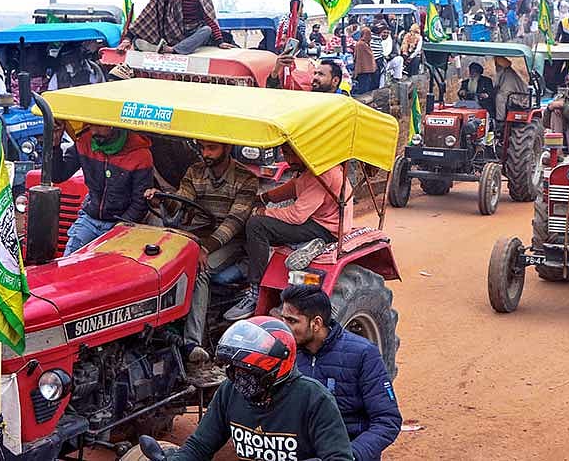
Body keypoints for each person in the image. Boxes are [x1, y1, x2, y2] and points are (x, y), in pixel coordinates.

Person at [143, 140, 258, 378]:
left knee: (198, 268)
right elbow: (182, 199)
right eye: (203, 148)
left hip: (230, 242)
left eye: (212, 149)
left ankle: (192, 344)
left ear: (226, 149)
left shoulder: (246, 179)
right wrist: (162, 199)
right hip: (197, 235)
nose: (206, 154)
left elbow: (233, 224)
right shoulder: (195, 171)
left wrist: (203, 248)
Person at [168, 316, 354, 461]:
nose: (240, 379)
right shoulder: (230, 391)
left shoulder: (314, 399)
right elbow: (200, 445)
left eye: (249, 372)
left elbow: (339, 457)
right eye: (235, 370)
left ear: (277, 370)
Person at [225, 145, 353, 321]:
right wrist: (263, 198)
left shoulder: (324, 173)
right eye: (287, 153)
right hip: (316, 220)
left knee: (256, 225)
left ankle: (255, 292)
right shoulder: (307, 169)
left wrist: (263, 212)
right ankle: (299, 246)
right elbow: (294, 187)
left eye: (294, 154)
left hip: (325, 228)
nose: (290, 159)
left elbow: (297, 215)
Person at [280, 286, 401, 461]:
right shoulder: (284, 353)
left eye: (292, 321)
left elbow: (387, 421)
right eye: (283, 319)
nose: (284, 328)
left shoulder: (363, 354)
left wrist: (347, 456)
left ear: (316, 323)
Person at [53, 123, 153, 254]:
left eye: (99, 125)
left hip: (120, 222)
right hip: (90, 218)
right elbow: (58, 175)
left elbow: (140, 203)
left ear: (114, 125)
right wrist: (55, 144)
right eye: (90, 125)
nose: (94, 131)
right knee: (69, 259)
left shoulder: (140, 155)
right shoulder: (85, 141)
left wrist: (120, 228)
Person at [492, 56, 527, 124]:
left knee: (500, 97)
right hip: (511, 95)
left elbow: (505, 90)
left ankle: (499, 121)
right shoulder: (504, 72)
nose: (496, 67)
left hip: (516, 98)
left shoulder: (508, 74)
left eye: (498, 65)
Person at [352, 27, 377, 94]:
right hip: (363, 69)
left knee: (366, 86)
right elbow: (359, 57)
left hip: (367, 70)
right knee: (363, 87)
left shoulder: (365, 44)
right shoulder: (361, 44)